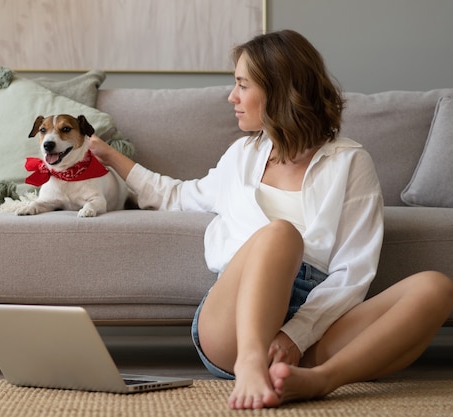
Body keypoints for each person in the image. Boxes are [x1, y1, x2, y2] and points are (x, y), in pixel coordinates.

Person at [88, 29, 453, 410]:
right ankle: (250, 362)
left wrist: (296, 335)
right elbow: (176, 195)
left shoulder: (349, 162)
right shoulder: (241, 156)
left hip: (313, 323)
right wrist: (111, 157)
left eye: (242, 85)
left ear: (280, 91)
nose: (232, 97)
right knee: (281, 234)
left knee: (436, 287)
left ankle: (320, 380)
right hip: (234, 324)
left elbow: (354, 271)